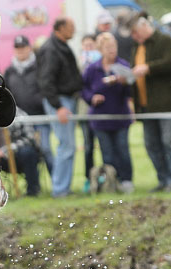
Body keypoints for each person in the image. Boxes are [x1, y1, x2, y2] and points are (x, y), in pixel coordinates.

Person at [130, 15, 171, 191]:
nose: (134, 36)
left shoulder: (165, 40)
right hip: (146, 106)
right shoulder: (137, 48)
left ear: (145, 26)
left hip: (166, 104)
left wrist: (148, 68)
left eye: (136, 32)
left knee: (170, 142)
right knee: (151, 144)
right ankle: (163, 178)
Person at [82, 32, 134, 192]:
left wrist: (125, 83)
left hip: (120, 116)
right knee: (108, 153)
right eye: (108, 47)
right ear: (100, 49)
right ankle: (111, 182)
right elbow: (83, 89)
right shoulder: (92, 68)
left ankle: (126, 181)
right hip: (100, 119)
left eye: (113, 47)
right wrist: (92, 97)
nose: (112, 50)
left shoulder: (123, 66)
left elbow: (131, 91)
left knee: (123, 150)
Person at [38, 16, 83, 197]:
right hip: (60, 101)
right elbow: (46, 81)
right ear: (60, 28)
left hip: (66, 100)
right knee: (66, 145)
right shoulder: (51, 49)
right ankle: (60, 189)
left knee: (69, 146)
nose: (74, 29)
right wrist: (58, 106)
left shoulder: (60, 46)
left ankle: (64, 188)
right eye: (70, 26)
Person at [3, 35, 53, 173]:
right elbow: (7, 94)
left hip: (40, 118)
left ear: (29, 48)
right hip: (19, 122)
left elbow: (47, 88)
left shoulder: (39, 67)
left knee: (46, 149)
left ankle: (57, 184)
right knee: (25, 151)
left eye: (23, 47)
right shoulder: (9, 71)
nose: (20, 51)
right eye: (17, 48)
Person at [0, 109, 43, 197]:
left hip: (20, 156)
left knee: (28, 152)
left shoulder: (20, 114)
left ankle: (33, 191)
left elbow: (30, 138)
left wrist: (6, 150)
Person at [79, 34, 102, 192]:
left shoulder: (101, 63)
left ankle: (107, 176)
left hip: (100, 111)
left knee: (104, 145)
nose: (88, 48)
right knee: (88, 146)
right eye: (85, 45)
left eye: (91, 45)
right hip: (84, 111)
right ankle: (89, 178)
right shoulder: (79, 64)